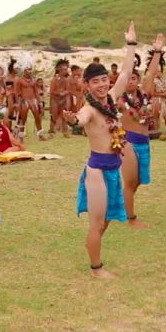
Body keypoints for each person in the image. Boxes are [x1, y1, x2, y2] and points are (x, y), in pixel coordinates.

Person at [62, 22, 140, 279]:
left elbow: (127, 73)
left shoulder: (112, 99)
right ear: (87, 85)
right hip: (96, 170)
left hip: (113, 169)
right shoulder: (90, 108)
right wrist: (73, 120)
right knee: (97, 222)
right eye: (96, 82)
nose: (103, 85)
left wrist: (130, 44)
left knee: (106, 220)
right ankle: (97, 268)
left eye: (105, 79)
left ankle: (92, 244)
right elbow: (81, 119)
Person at [117, 37, 165, 229]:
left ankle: (121, 206)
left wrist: (157, 52)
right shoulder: (120, 100)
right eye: (128, 78)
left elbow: (151, 73)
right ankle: (131, 218)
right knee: (130, 181)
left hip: (144, 142)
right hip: (128, 142)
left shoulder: (144, 95)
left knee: (136, 182)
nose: (131, 81)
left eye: (134, 78)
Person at [48, 58, 71, 137]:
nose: (66, 71)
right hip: (55, 99)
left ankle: (65, 132)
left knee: (64, 115)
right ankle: (51, 131)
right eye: (64, 70)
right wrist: (59, 93)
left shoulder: (66, 80)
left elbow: (68, 90)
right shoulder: (54, 79)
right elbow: (51, 91)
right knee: (53, 115)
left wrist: (64, 93)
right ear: (60, 70)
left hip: (63, 99)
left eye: (66, 70)